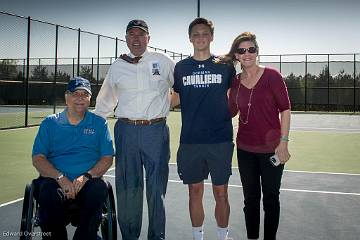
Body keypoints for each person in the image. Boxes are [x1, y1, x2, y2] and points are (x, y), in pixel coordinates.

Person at [94, 19, 175, 240]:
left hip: (156, 131)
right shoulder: (117, 66)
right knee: (128, 189)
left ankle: (156, 237)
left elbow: (181, 90)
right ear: (126, 38)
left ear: (149, 38)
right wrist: (90, 134)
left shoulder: (163, 61)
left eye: (141, 34)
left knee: (156, 190)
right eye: (131, 34)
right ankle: (130, 236)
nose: (136, 38)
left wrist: (166, 105)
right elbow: (104, 104)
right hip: (126, 131)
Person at [171, 17, 235, 240]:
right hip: (191, 141)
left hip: (220, 140)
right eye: (196, 34)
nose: (200, 37)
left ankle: (222, 236)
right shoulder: (180, 68)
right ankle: (197, 236)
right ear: (190, 38)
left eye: (205, 33)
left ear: (212, 37)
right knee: (195, 192)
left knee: (221, 193)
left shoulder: (225, 66)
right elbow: (174, 98)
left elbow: (236, 95)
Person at [225, 32, 291, 240]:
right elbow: (232, 112)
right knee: (250, 200)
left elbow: (286, 109)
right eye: (242, 50)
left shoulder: (272, 76)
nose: (247, 54)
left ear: (257, 52)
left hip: (271, 150)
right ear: (236, 55)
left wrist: (283, 143)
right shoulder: (235, 82)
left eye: (251, 49)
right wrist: (224, 94)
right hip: (245, 150)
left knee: (271, 199)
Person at [32, 76, 114, 240]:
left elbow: (107, 157)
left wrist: (86, 177)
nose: (80, 98)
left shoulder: (99, 124)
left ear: (90, 99)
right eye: (75, 93)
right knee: (47, 192)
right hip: (54, 181)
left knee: (99, 188)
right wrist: (60, 178)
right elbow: (38, 158)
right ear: (66, 97)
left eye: (85, 94)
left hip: (87, 182)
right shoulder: (50, 123)